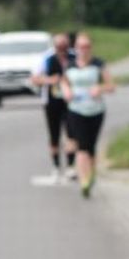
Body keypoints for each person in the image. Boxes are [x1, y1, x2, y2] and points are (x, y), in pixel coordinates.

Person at [58, 32, 115, 198]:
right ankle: (84, 181)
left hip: (96, 110)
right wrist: (66, 91)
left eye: (87, 46)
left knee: (91, 147)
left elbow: (111, 85)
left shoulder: (98, 64)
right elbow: (63, 82)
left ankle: (91, 173)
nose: (84, 50)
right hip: (76, 110)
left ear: (91, 48)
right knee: (81, 147)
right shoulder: (70, 66)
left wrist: (100, 88)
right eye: (80, 46)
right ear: (75, 48)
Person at [29, 32, 76, 181]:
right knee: (54, 135)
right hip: (52, 101)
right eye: (59, 46)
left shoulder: (74, 57)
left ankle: (70, 166)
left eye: (64, 46)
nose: (62, 49)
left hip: (71, 101)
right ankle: (56, 166)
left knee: (71, 134)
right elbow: (34, 78)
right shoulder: (47, 58)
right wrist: (50, 80)